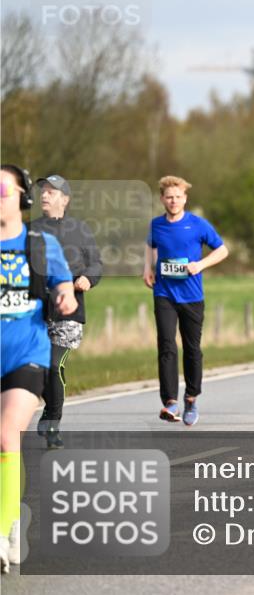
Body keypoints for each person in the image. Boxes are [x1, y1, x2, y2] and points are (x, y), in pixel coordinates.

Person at [0, 165, 77, 573]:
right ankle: (13, 518)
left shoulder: (40, 244)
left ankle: (2, 529)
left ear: (21, 198)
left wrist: (65, 297)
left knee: (6, 434)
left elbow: (62, 285)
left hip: (25, 354)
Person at [144, 176, 229, 426]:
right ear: (162, 199)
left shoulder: (198, 225)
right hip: (164, 293)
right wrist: (147, 268)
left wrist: (200, 264)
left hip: (192, 295)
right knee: (167, 345)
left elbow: (222, 250)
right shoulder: (155, 225)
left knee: (192, 350)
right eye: (169, 197)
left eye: (178, 196)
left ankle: (191, 398)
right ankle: (170, 401)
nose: (173, 201)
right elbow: (150, 246)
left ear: (185, 198)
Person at [30, 175, 103, 449]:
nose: (44, 196)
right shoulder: (30, 230)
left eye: (51, 192)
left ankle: (53, 421)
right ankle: (49, 409)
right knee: (37, 370)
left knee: (53, 364)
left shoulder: (80, 230)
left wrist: (87, 278)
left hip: (69, 313)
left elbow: (96, 264)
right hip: (35, 312)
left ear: (65, 199)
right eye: (43, 192)